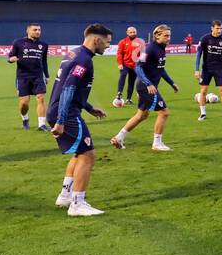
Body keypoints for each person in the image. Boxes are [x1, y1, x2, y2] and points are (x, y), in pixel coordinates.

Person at [48, 24, 112, 216]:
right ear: (96, 40)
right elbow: (68, 89)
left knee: (79, 153)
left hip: (61, 110)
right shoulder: (84, 60)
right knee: (88, 155)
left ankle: (65, 195)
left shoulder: (74, 54)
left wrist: (90, 108)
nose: (108, 47)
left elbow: (72, 89)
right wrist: (60, 121)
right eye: (107, 42)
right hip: (66, 114)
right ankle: (78, 204)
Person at [111, 24, 178, 150]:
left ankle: (119, 138)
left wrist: (172, 83)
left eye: (169, 35)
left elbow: (161, 69)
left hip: (148, 87)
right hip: (146, 87)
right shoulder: (150, 49)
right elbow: (138, 66)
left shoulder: (161, 48)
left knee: (141, 115)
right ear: (157, 36)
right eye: (166, 35)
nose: (169, 38)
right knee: (164, 112)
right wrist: (148, 84)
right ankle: (157, 143)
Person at [8, 23, 50, 130]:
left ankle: (42, 124)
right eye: (35, 30)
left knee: (40, 98)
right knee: (24, 103)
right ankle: (25, 118)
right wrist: (10, 59)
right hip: (23, 76)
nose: (38, 32)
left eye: (39, 30)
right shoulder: (18, 43)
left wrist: (47, 75)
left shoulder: (44, 45)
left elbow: (44, 61)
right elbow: (10, 56)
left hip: (38, 76)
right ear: (28, 31)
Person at [194, 20, 222, 121]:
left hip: (219, 69)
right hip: (206, 69)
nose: (219, 30)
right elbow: (199, 54)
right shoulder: (205, 39)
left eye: (221, 28)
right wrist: (196, 69)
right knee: (203, 91)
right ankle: (203, 113)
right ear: (212, 28)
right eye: (217, 28)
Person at [113, 27, 140, 107]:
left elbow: (142, 53)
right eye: (131, 32)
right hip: (125, 64)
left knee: (131, 81)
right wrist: (120, 63)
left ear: (136, 32)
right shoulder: (123, 42)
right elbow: (119, 53)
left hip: (135, 65)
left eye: (134, 32)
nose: (132, 33)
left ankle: (128, 99)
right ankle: (119, 93)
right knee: (123, 75)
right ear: (127, 33)